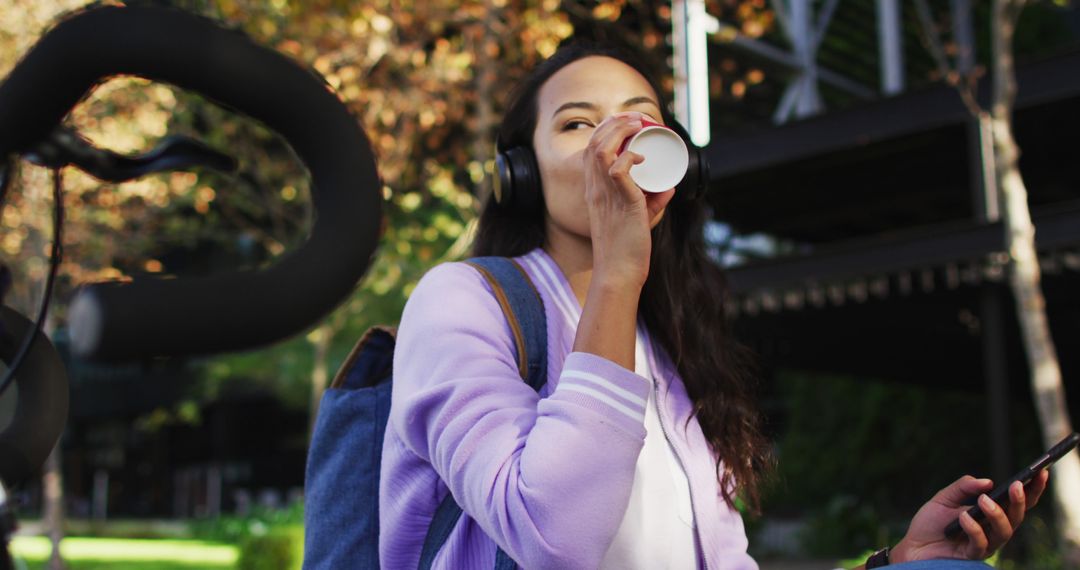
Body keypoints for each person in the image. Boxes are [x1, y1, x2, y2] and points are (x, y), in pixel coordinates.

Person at [378, 42, 1049, 569]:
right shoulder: (461, 299)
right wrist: (618, 268)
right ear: (520, 175)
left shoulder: (669, 352)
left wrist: (895, 559)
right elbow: (554, 536)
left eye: (638, 120)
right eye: (578, 124)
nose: (614, 144)